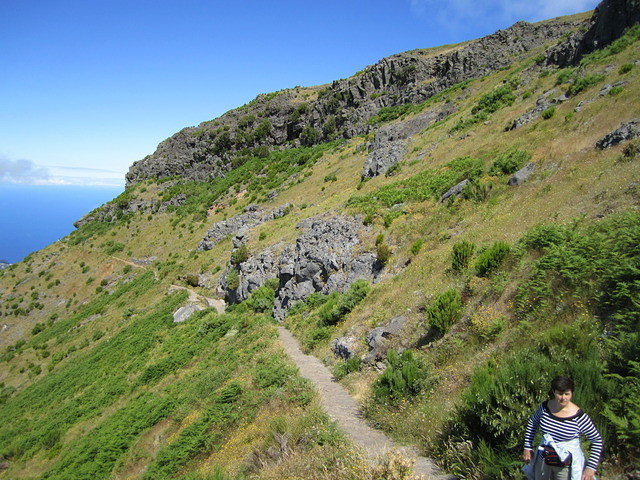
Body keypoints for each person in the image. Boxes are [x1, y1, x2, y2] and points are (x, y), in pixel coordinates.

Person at [522, 375, 603, 480]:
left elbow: (597, 441)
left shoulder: (579, 416)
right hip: (543, 462)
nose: (563, 398)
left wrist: (590, 467)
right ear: (554, 392)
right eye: (560, 394)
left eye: (567, 394)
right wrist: (527, 447)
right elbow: (532, 424)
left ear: (572, 393)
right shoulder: (544, 408)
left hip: (565, 467)